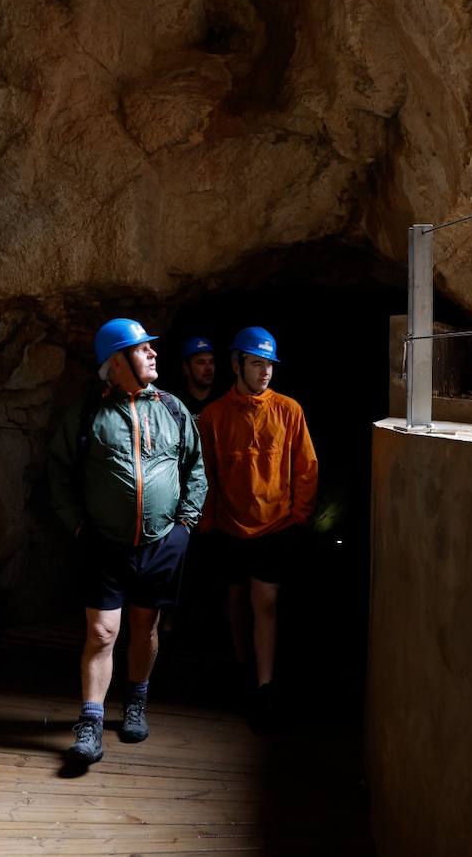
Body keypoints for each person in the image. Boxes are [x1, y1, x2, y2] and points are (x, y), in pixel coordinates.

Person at [48, 318, 207, 766]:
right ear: (117, 361)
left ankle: (135, 700)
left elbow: (195, 467)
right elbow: (57, 469)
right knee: (102, 632)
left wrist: (185, 525)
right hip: (104, 542)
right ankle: (91, 723)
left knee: (146, 628)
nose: (154, 354)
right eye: (142, 349)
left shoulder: (173, 409)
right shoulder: (87, 414)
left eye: (152, 348)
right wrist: (76, 522)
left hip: (161, 543)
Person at [197, 326, 318, 728]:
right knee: (235, 600)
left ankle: (264, 686)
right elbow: (206, 471)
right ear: (237, 364)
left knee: (264, 602)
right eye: (256, 363)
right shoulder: (214, 416)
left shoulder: (288, 410)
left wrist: (298, 516)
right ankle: (241, 666)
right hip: (229, 527)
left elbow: (305, 467)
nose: (265, 371)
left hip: (274, 527)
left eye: (268, 364)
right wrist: (208, 520)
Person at [178, 336, 217, 418]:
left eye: (211, 362)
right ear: (186, 368)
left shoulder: (222, 401)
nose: (209, 368)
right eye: (201, 362)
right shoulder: (177, 404)